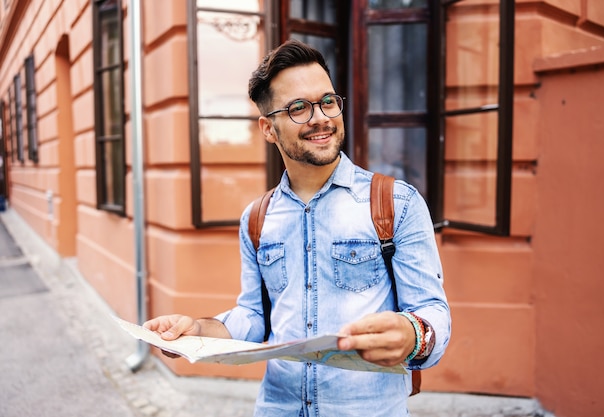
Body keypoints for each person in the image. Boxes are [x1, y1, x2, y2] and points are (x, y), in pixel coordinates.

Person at [144, 39, 451, 417]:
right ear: (268, 129)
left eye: (327, 101)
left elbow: (433, 312)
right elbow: (255, 317)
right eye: (299, 108)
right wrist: (199, 330)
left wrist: (411, 334)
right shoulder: (256, 218)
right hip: (278, 408)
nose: (320, 117)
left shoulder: (395, 203)